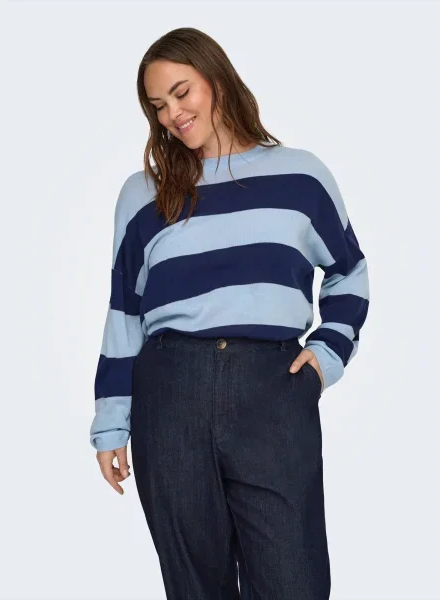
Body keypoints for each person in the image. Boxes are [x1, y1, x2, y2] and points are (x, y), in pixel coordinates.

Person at [89, 27, 370, 600]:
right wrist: (111, 421)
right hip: (170, 394)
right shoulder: (144, 193)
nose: (172, 114)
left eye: (181, 92)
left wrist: (326, 356)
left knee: (294, 580)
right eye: (158, 105)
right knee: (196, 586)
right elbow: (124, 312)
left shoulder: (301, 175)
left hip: (271, 389)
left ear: (216, 80)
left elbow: (350, 273)